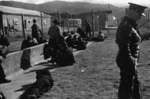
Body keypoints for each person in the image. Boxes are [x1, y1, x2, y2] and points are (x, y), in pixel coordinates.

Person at [115, 2, 147, 99]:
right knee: (126, 89)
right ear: (132, 12)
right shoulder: (126, 26)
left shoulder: (130, 25)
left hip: (131, 62)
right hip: (128, 61)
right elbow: (124, 46)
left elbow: (134, 39)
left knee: (135, 88)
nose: (140, 17)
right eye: (139, 14)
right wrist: (131, 60)